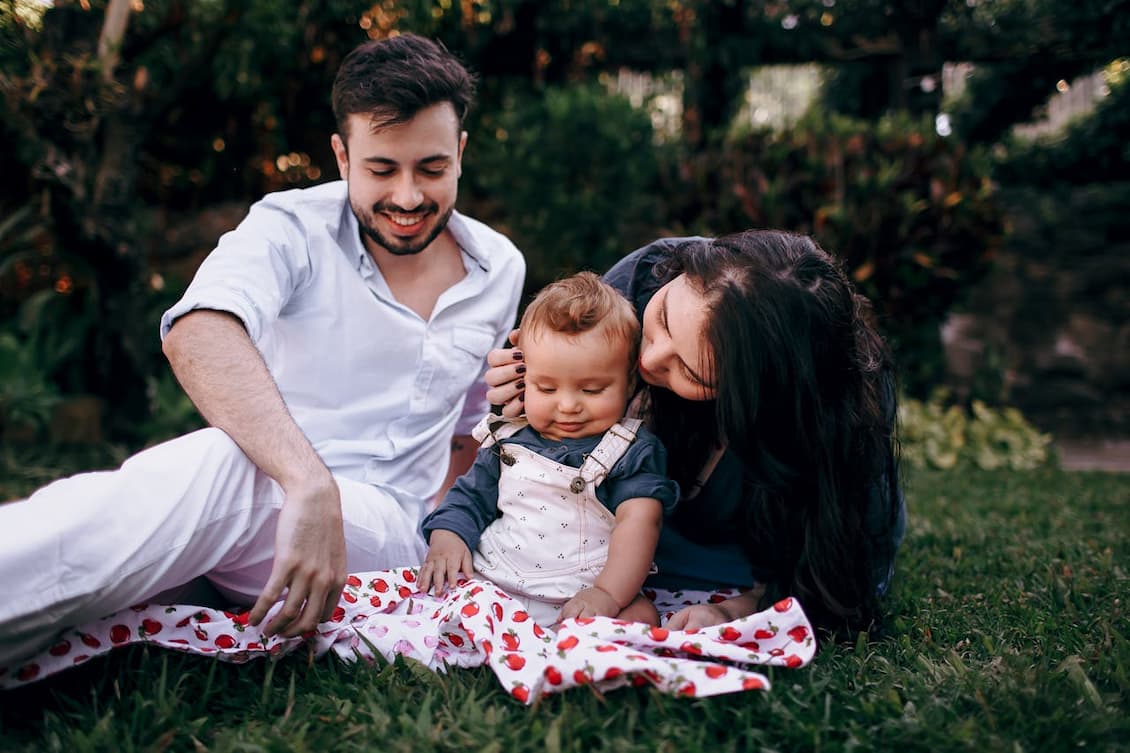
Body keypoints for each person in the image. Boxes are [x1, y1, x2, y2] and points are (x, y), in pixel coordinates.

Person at [0, 34, 525, 670]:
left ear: (462, 152)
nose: (409, 197)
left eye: (433, 169)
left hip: (393, 542)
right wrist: (307, 481)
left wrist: (459, 533)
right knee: (174, 509)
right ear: (341, 155)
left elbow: (472, 428)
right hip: (281, 509)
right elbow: (197, 329)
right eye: (382, 169)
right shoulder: (290, 226)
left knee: (221, 476)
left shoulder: (499, 267)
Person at [485, 231, 906, 635]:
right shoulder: (645, 278)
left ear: (753, 396)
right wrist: (525, 398)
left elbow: (834, 583)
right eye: (664, 316)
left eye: (688, 370)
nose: (648, 360)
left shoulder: (832, 426)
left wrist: (734, 608)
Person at [417, 272, 679, 626]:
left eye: (591, 390)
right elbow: (469, 496)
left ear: (630, 381)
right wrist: (449, 536)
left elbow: (640, 522)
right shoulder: (507, 439)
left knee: (641, 615)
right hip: (496, 580)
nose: (568, 405)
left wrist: (607, 593)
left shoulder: (630, 451)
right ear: (523, 377)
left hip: (586, 593)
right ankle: (496, 626)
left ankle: (576, 643)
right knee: (439, 603)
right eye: (547, 388)